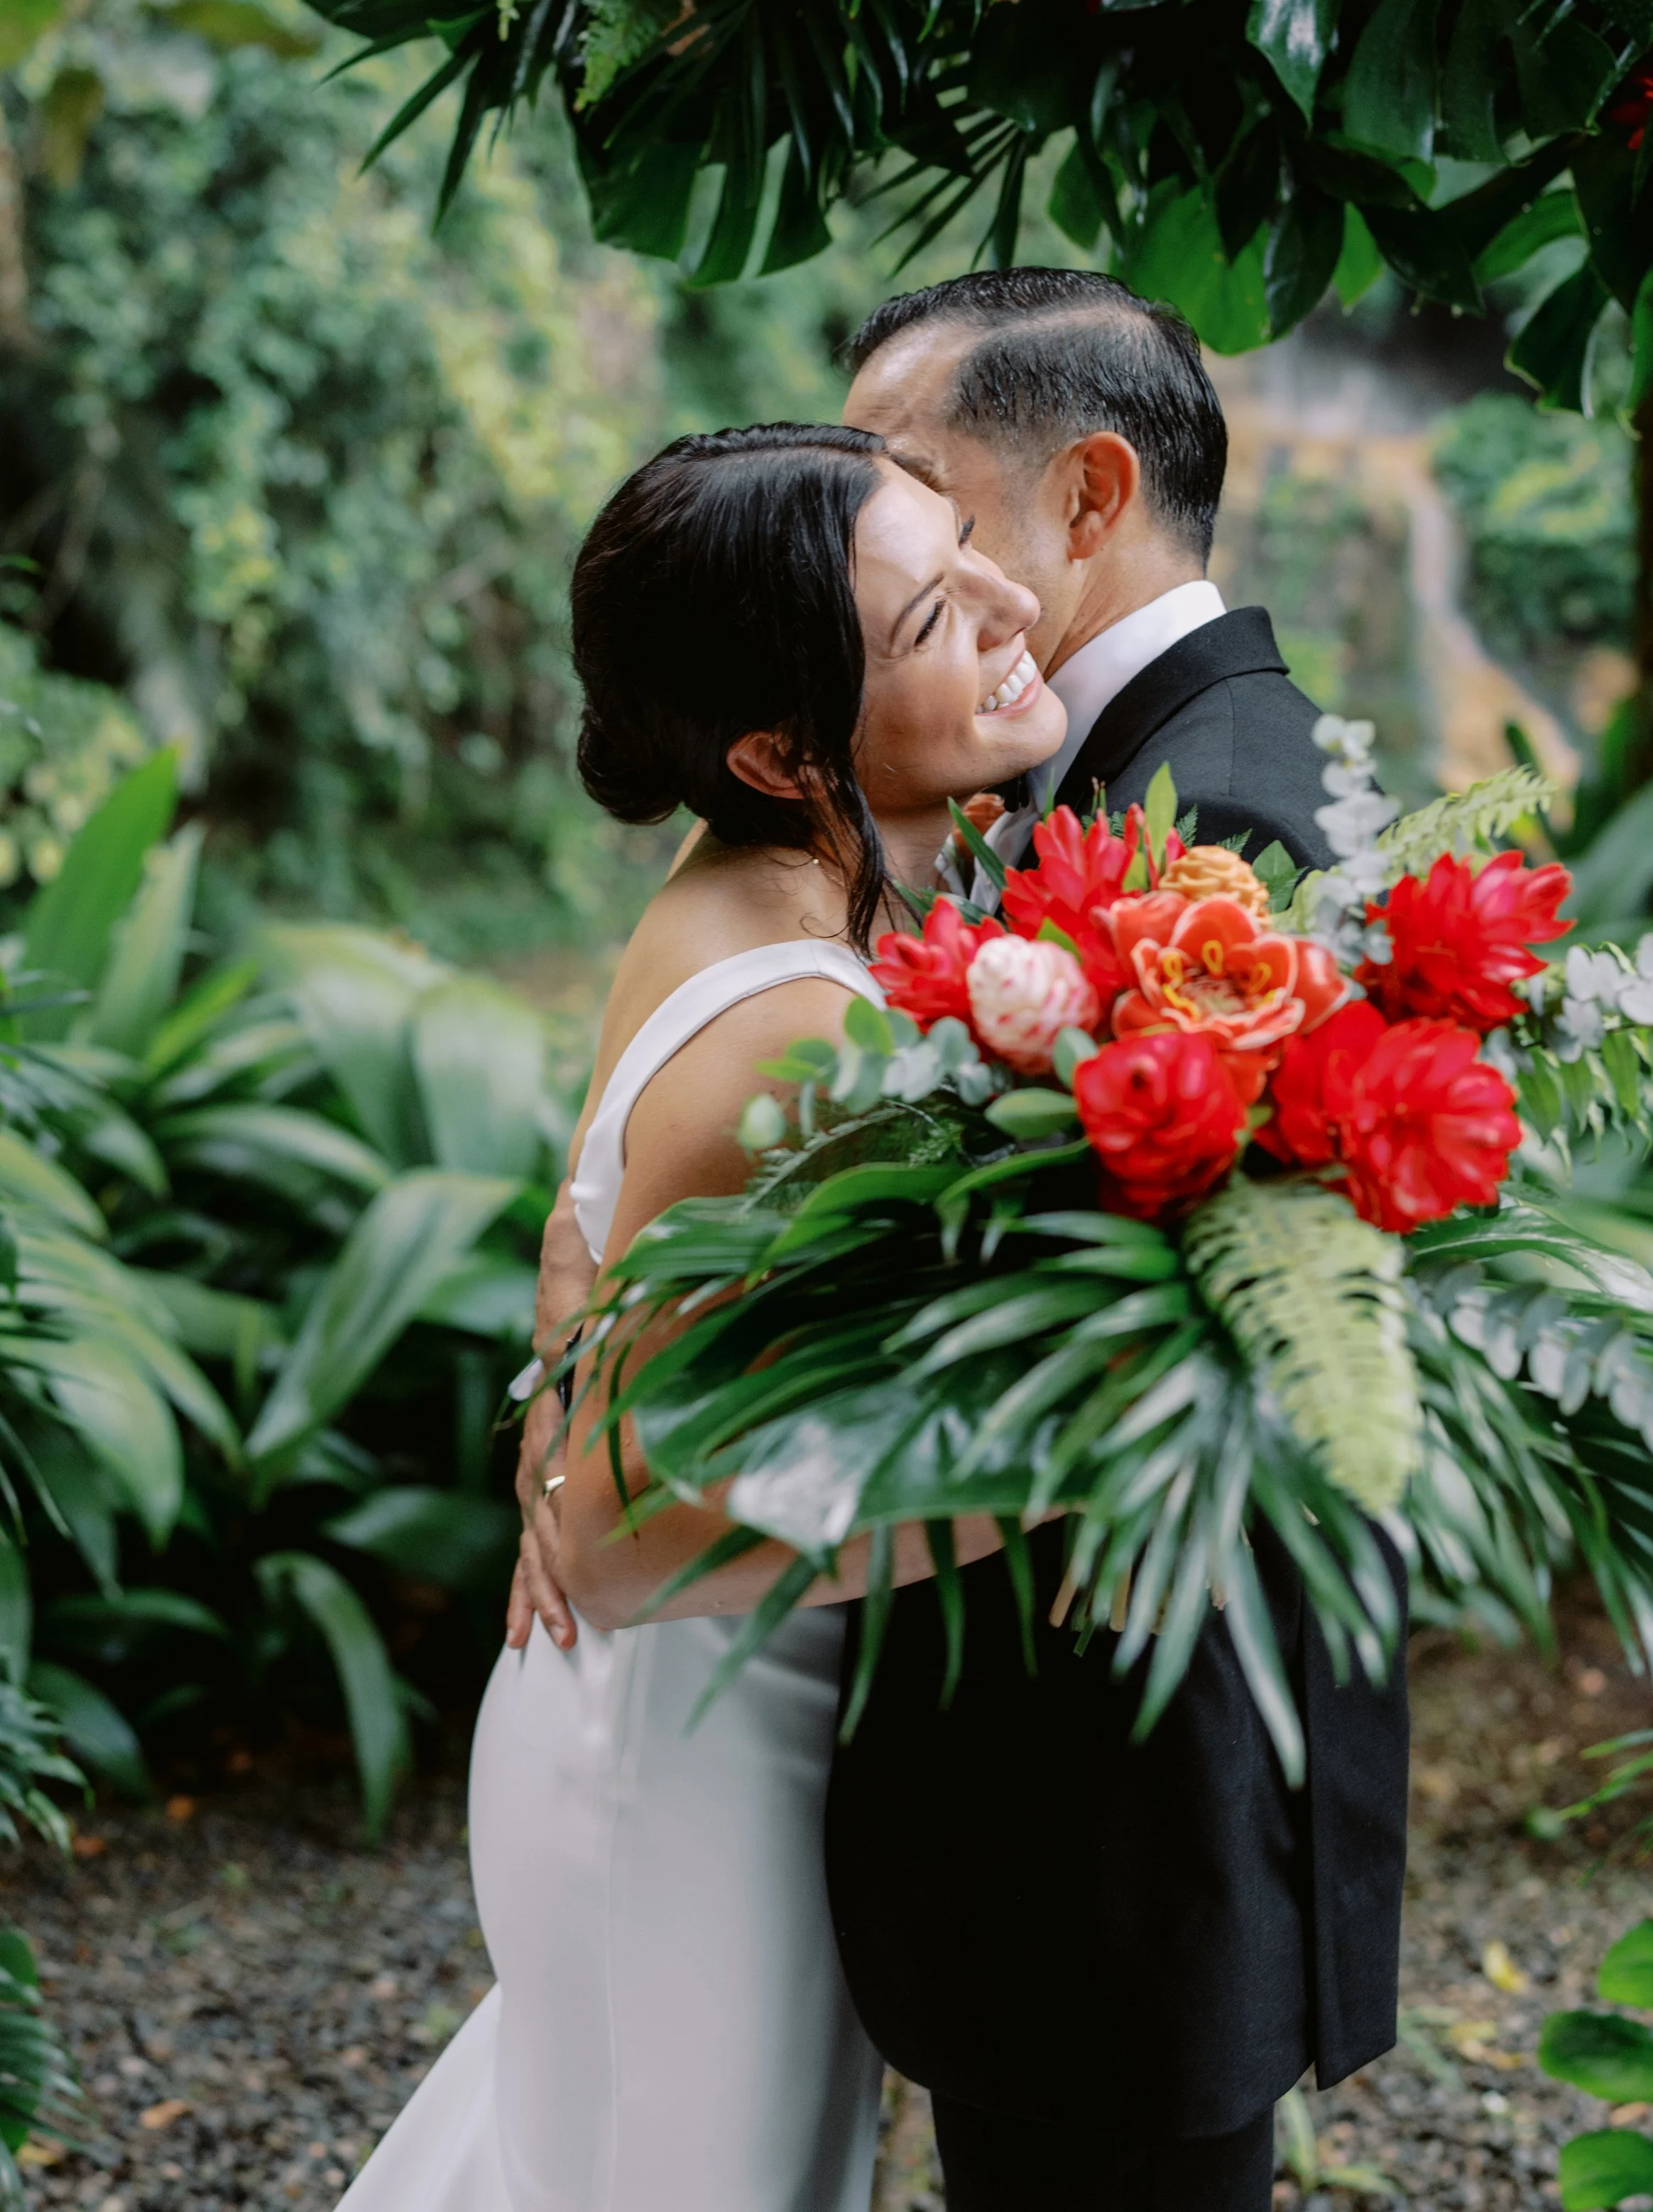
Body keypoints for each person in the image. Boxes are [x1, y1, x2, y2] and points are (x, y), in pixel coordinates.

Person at [513, 274, 1411, 2212]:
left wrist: (590, 1425)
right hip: (771, 1709)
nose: (955, 594)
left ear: (1083, 493)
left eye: (919, 493)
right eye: (905, 577)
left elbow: (1224, 1362)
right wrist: (576, 1409)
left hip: (1117, 1847)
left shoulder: (1221, 829)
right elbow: (648, 1189)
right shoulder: (850, 862)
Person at [337, 420, 1066, 2212]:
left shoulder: (743, 885)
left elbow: (592, 1236)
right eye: (924, 622)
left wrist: (553, 1410)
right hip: (678, 1761)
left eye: (968, 541)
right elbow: (609, 1540)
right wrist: (1059, 1489)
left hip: (655, 1724)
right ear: (774, 749)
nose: (1001, 599)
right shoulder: (790, 1016)